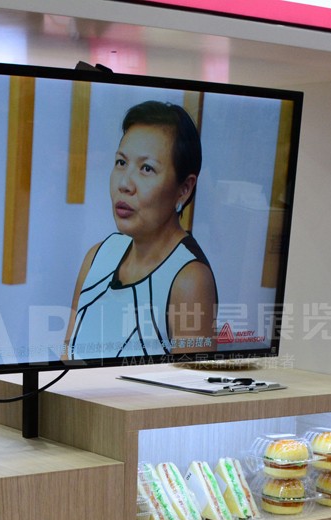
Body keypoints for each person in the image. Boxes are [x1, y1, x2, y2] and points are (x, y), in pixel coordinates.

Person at [64, 101, 217, 360]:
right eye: (121, 162)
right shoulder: (98, 257)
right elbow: (65, 361)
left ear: (184, 189)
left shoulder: (190, 280)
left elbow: (192, 385)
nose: (124, 183)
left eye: (147, 168)